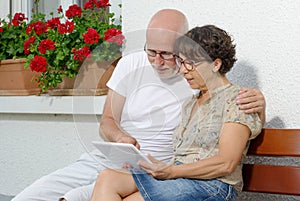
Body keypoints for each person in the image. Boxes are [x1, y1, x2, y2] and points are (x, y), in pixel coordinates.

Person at [12, 9, 265, 201]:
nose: (158, 62)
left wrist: (260, 108)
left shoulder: (224, 95)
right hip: (135, 166)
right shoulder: (191, 100)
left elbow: (227, 160)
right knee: (91, 182)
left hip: (197, 181)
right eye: (151, 52)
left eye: (169, 55)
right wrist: (127, 143)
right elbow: (109, 121)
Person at [90, 25, 263, 201]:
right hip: (181, 178)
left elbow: (226, 163)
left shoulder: (238, 99)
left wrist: (171, 171)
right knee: (108, 178)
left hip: (213, 185)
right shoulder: (191, 103)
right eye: (181, 62)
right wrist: (154, 166)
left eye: (190, 64)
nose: (182, 70)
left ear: (216, 64)